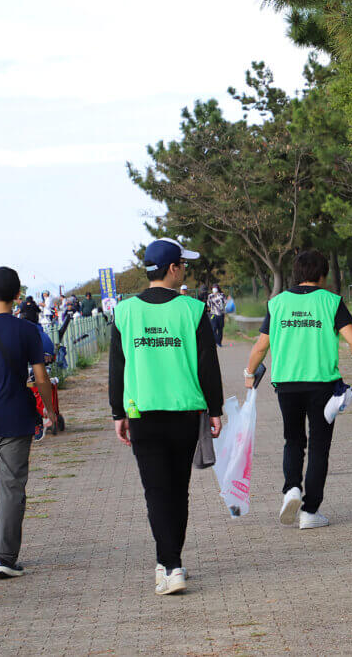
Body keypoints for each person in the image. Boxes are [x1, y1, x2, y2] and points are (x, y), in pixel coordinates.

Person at [108, 238, 223, 595]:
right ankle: (171, 562)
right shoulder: (192, 309)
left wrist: (117, 412)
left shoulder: (125, 312)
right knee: (178, 490)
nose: (184, 270)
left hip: (141, 411)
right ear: (173, 269)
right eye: (183, 265)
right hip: (185, 410)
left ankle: (168, 564)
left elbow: (117, 367)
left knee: (156, 491)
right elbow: (208, 363)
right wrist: (215, 409)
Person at [243, 250, 352, 529]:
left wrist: (249, 373)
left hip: (286, 385)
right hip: (322, 386)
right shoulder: (331, 301)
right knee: (319, 447)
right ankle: (310, 512)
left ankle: (291, 489)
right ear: (323, 275)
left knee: (293, 440)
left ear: (297, 274)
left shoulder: (277, 303)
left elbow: (261, 346)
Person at [0, 267, 58, 579]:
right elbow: (40, 377)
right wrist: (50, 410)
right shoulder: (27, 330)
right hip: (15, 418)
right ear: (16, 296)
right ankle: (5, 556)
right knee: (12, 485)